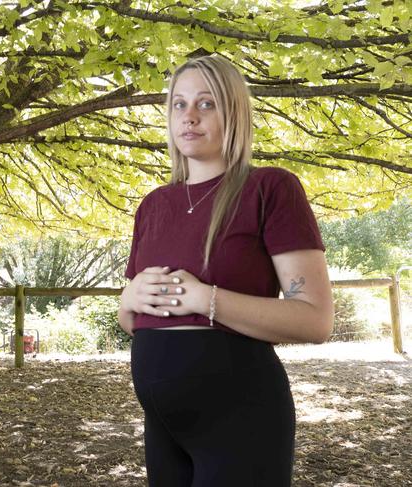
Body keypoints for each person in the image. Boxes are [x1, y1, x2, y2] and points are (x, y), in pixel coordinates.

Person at [118, 55, 334, 487]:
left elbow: (316, 319)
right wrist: (127, 302)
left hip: (241, 417)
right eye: (179, 105)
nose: (190, 117)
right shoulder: (153, 205)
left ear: (233, 111)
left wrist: (206, 298)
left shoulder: (270, 188)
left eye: (207, 103)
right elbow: (132, 323)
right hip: (163, 423)